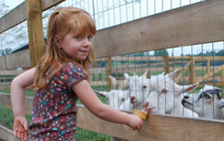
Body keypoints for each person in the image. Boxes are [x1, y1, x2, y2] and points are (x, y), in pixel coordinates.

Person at [11, 6, 143, 141]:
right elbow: (99, 109)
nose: (87, 43)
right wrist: (128, 118)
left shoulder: (46, 66)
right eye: (78, 37)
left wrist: (19, 116)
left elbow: (17, 83)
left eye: (89, 37)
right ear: (58, 41)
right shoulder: (70, 70)